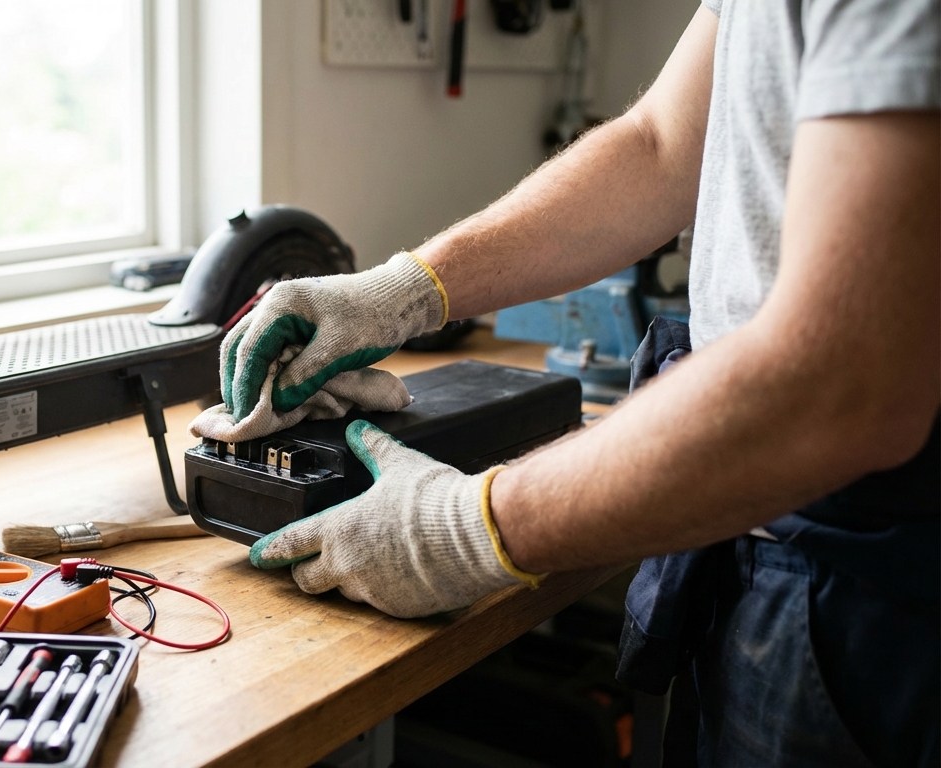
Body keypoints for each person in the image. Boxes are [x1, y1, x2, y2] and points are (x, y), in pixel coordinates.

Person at [214, 0, 939, 765]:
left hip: (875, 590)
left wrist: (465, 530)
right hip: (764, 539)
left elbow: (842, 386)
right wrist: (403, 290)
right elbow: (659, 144)